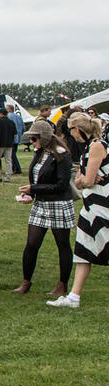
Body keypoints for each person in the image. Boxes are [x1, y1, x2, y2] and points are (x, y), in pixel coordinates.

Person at [47, 113, 109, 308]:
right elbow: (80, 181)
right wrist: (84, 180)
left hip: (102, 206)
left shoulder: (97, 146)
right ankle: (74, 296)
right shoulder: (88, 149)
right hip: (90, 206)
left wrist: (84, 179)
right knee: (83, 250)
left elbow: (86, 181)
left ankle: (74, 296)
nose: (70, 134)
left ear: (79, 129)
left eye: (71, 129)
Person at [12, 121, 74, 296]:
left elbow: (61, 186)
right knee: (31, 244)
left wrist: (34, 190)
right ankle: (26, 281)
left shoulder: (61, 155)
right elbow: (36, 179)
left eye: (34, 138)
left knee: (62, 244)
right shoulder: (39, 153)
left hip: (58, 204)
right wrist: (31, 194)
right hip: (41, 203)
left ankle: (62, 285)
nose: (32, 142)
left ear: (44, 137)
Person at [0, 109, 16, 182]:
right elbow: (15, 134)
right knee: (8, 160)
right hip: (9, 144)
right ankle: (8, 177)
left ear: (1, 114)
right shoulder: (11, 122)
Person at [7, 104, 24, 175]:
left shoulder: (8, 117)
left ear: (9, 109)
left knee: (12, 155)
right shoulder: (19, 117)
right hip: (18, 138)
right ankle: (14, 168)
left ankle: (17, 168)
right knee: (14, 153)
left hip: (11, 138)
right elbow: (23, 128)